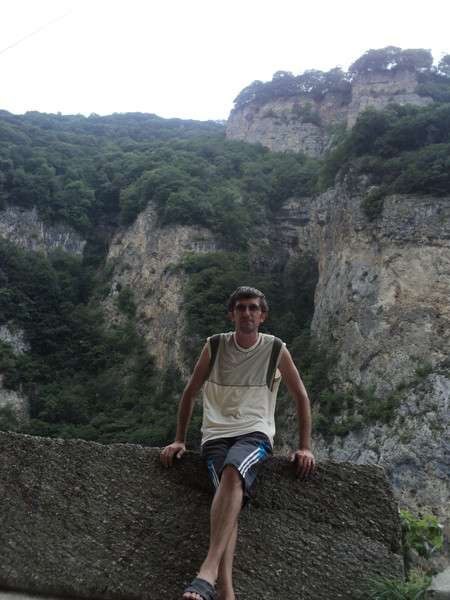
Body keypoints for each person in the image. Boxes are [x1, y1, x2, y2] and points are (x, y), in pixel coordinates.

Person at [160, 286, 315, 600]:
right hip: (215, 435)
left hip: (254, 433)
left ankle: (207, 572)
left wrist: (305, 446)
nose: (247, 313)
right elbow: (190, 393)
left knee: (233, 472)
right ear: (232, 314)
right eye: (241, 308)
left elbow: (301, 396)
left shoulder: (275, 349)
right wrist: (179, 440)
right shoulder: (215, 346)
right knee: (227, 498)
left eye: (253, 308)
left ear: (262, 315)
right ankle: (226, 592)